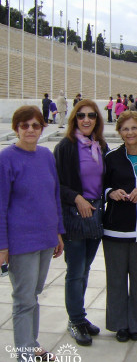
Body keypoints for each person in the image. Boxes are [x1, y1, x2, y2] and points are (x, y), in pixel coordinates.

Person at [0, 106, 64, 362]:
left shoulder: (46, 156)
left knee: (33, 295)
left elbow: (55, 195)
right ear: (16, 128)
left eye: (35, 125)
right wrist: (2, 245)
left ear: (42, 128)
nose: (29, 130)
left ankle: (32, 344)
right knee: (24, 298)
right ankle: (25, 353)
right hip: (21, 242)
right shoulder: (6, 158)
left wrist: (58, 232)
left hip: (46, 239)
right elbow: (0, 204)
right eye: (24, 125)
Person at [54, 99, 108, 347]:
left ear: (98, 120)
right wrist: (77, 198)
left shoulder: (100, 146)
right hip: (75, 216)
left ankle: (80, 317)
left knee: (85, 270)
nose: (86, 120)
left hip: (96, 215)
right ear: (74, 119)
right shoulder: (66, 147)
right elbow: (57, 185)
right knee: (75, 273)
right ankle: (75, 320)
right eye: (81, 115)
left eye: (92, 115)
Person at [103, 110, 137, 343]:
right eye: (125, 128)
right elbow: (100, 186)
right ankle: (118, 324)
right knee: (115, 280)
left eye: (134, 128)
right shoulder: (112, 157)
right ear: (120, 132)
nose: (130, 132)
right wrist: (110, 192)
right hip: (115, 228)